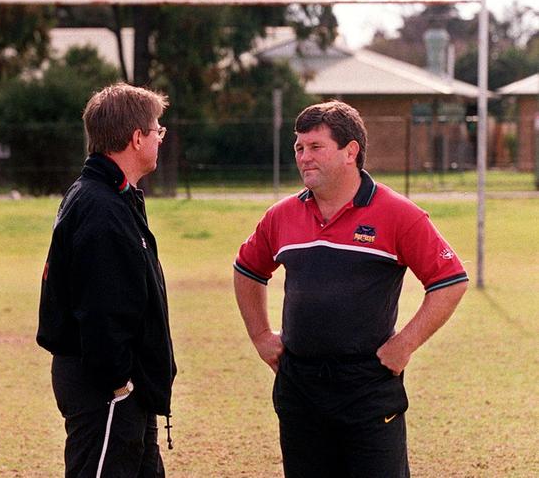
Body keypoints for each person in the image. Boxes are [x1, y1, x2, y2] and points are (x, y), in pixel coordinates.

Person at [233, 100, 468, 477]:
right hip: (300, 386)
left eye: (315, 147)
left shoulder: (398, 213)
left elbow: (450, 281)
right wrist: (260, 334)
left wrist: (404, 344)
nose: (304, 157)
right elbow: (247, 270)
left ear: (350, 152)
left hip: (368, 387)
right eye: (299, 148)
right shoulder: (282, 215)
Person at [37, 82, 177, 478]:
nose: (159, 139)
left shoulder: (117, 197)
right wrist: (120, 384)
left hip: (131, 393)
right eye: (157, 131)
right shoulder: (100, 207)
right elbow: (100, 310)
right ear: (137, 138)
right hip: (107, 391)